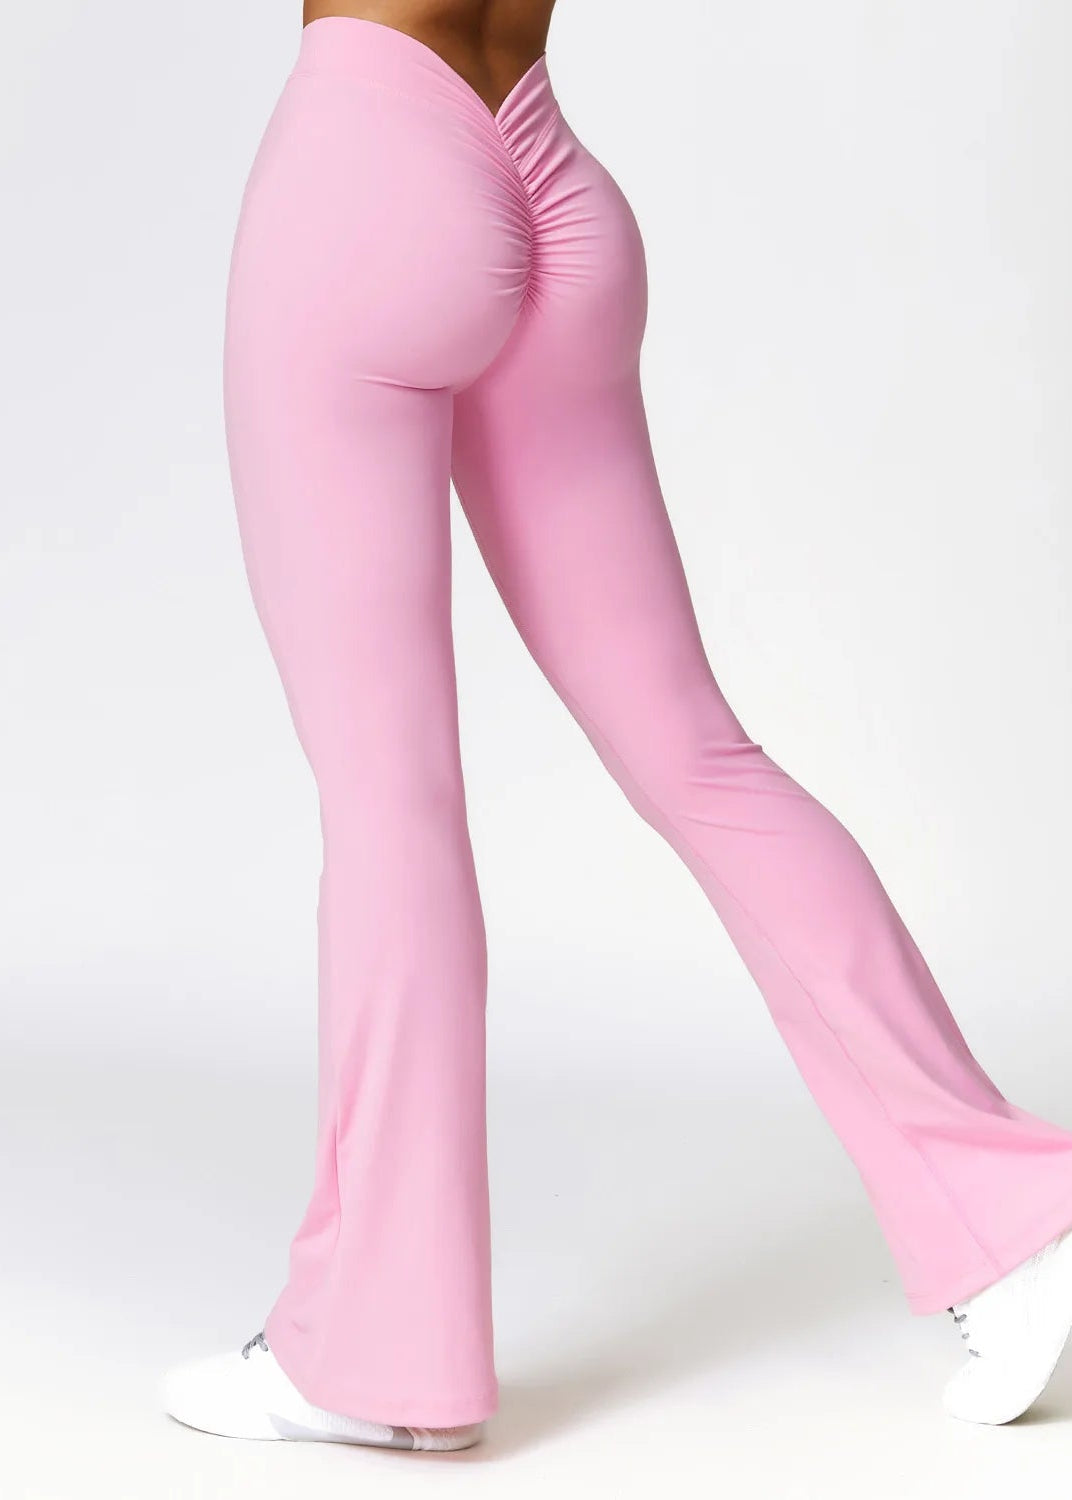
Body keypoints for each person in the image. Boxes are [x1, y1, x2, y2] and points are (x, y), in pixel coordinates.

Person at [160, 0, 1072, 1450]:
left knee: (390, 803)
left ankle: (381, 1363)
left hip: (367, 172)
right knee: (699, 754)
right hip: (548, 171)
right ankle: (1019, 1220)